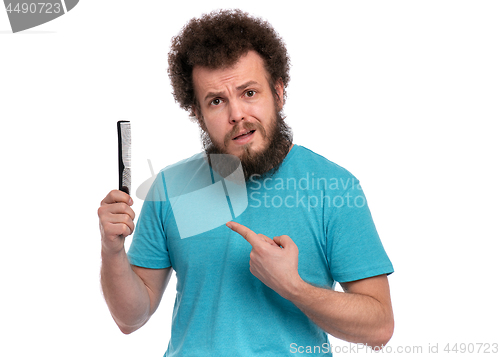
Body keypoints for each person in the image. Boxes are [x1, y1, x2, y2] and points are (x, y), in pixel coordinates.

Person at [98, 9, 394, 356]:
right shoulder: (170, 188)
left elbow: (379, 327)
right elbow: (131, 318)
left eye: (249, 92)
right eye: (217, 101)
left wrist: (294, 287)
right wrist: (112, 250)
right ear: (198, 113)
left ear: (279, 92)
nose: (236, 113)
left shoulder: (334, 187)